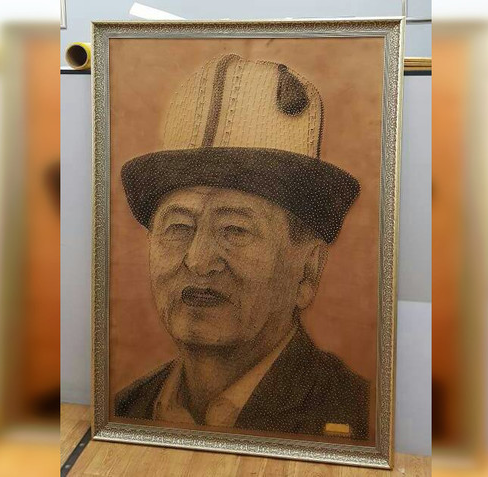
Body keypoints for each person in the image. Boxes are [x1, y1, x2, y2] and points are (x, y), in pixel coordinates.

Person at [115, 54, 370, 439]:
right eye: (179, 227)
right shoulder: (129, 410)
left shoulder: (355, 416)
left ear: (307, 271)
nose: (199, 261)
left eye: (235, 229)